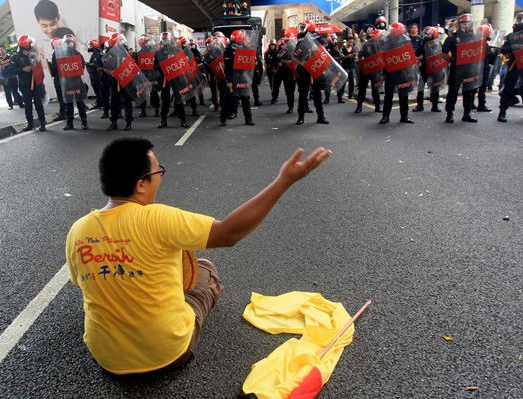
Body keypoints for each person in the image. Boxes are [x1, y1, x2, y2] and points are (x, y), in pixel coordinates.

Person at [65, 136, 332, 375]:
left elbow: (82, 283)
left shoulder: (78, 230)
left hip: (107, 359)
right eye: (158, 171)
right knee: (205, 269)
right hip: (169, 354)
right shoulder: (157, 219)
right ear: (141, 184)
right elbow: (228, 233)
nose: (160, 177)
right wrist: (284, 181)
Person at [442, 14, 481, 123]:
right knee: (453, 92)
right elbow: (443, 54)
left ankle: (467, 114)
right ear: (459, 25)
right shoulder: (452, 38)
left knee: (469, 92)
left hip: (470, 69)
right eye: (464, 24)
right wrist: (453, 61)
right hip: (457, 69)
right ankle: (449, 114)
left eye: (468, 24)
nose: (466, 27)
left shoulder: (474, 37)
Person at [11, 35, 47, 131]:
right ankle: (30, 123)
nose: (32, 45)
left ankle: (42, 122)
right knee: (28, 105)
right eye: (30, 43)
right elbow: (12, 70)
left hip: (35, 83)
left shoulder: (34, 55)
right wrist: (23, 69)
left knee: (39, 104)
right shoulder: (16, 57)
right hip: (25, 85)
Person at [219, 29, 254, 126]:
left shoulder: (244, 49)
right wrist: (229, 81)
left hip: (242, 77)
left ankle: (248, 119)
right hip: (233, 78)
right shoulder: (228, 51)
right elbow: (227, 68)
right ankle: (223, 118)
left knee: (245, 98)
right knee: (229, 99)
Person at [497, 13, 523, 122]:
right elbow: (503, 50)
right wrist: (513, 47)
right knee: (508, 87)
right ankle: (502, 111)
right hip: (514, 64)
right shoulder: (510, 37)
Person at [0, 45, 24, 110]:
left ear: (5, 50)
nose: (2, 50)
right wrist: (0, 62)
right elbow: (2, 68)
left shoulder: (10, 57)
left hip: (13, 76)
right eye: (1, 49)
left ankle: (20, 103)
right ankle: (10, 105)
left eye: (3, 49)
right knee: (7, 92)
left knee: (15, 91)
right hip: (5, 78)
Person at [86, 39, 103, 109]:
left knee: (97, 89)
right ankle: (99, 102)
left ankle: (99, 103)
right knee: (97, 89)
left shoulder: (96, 54)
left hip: (95, 74)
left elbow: (95, 64)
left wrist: (87, 63)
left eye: (91, 45)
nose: (90, 47)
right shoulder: (95, 53)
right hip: (94, 74)